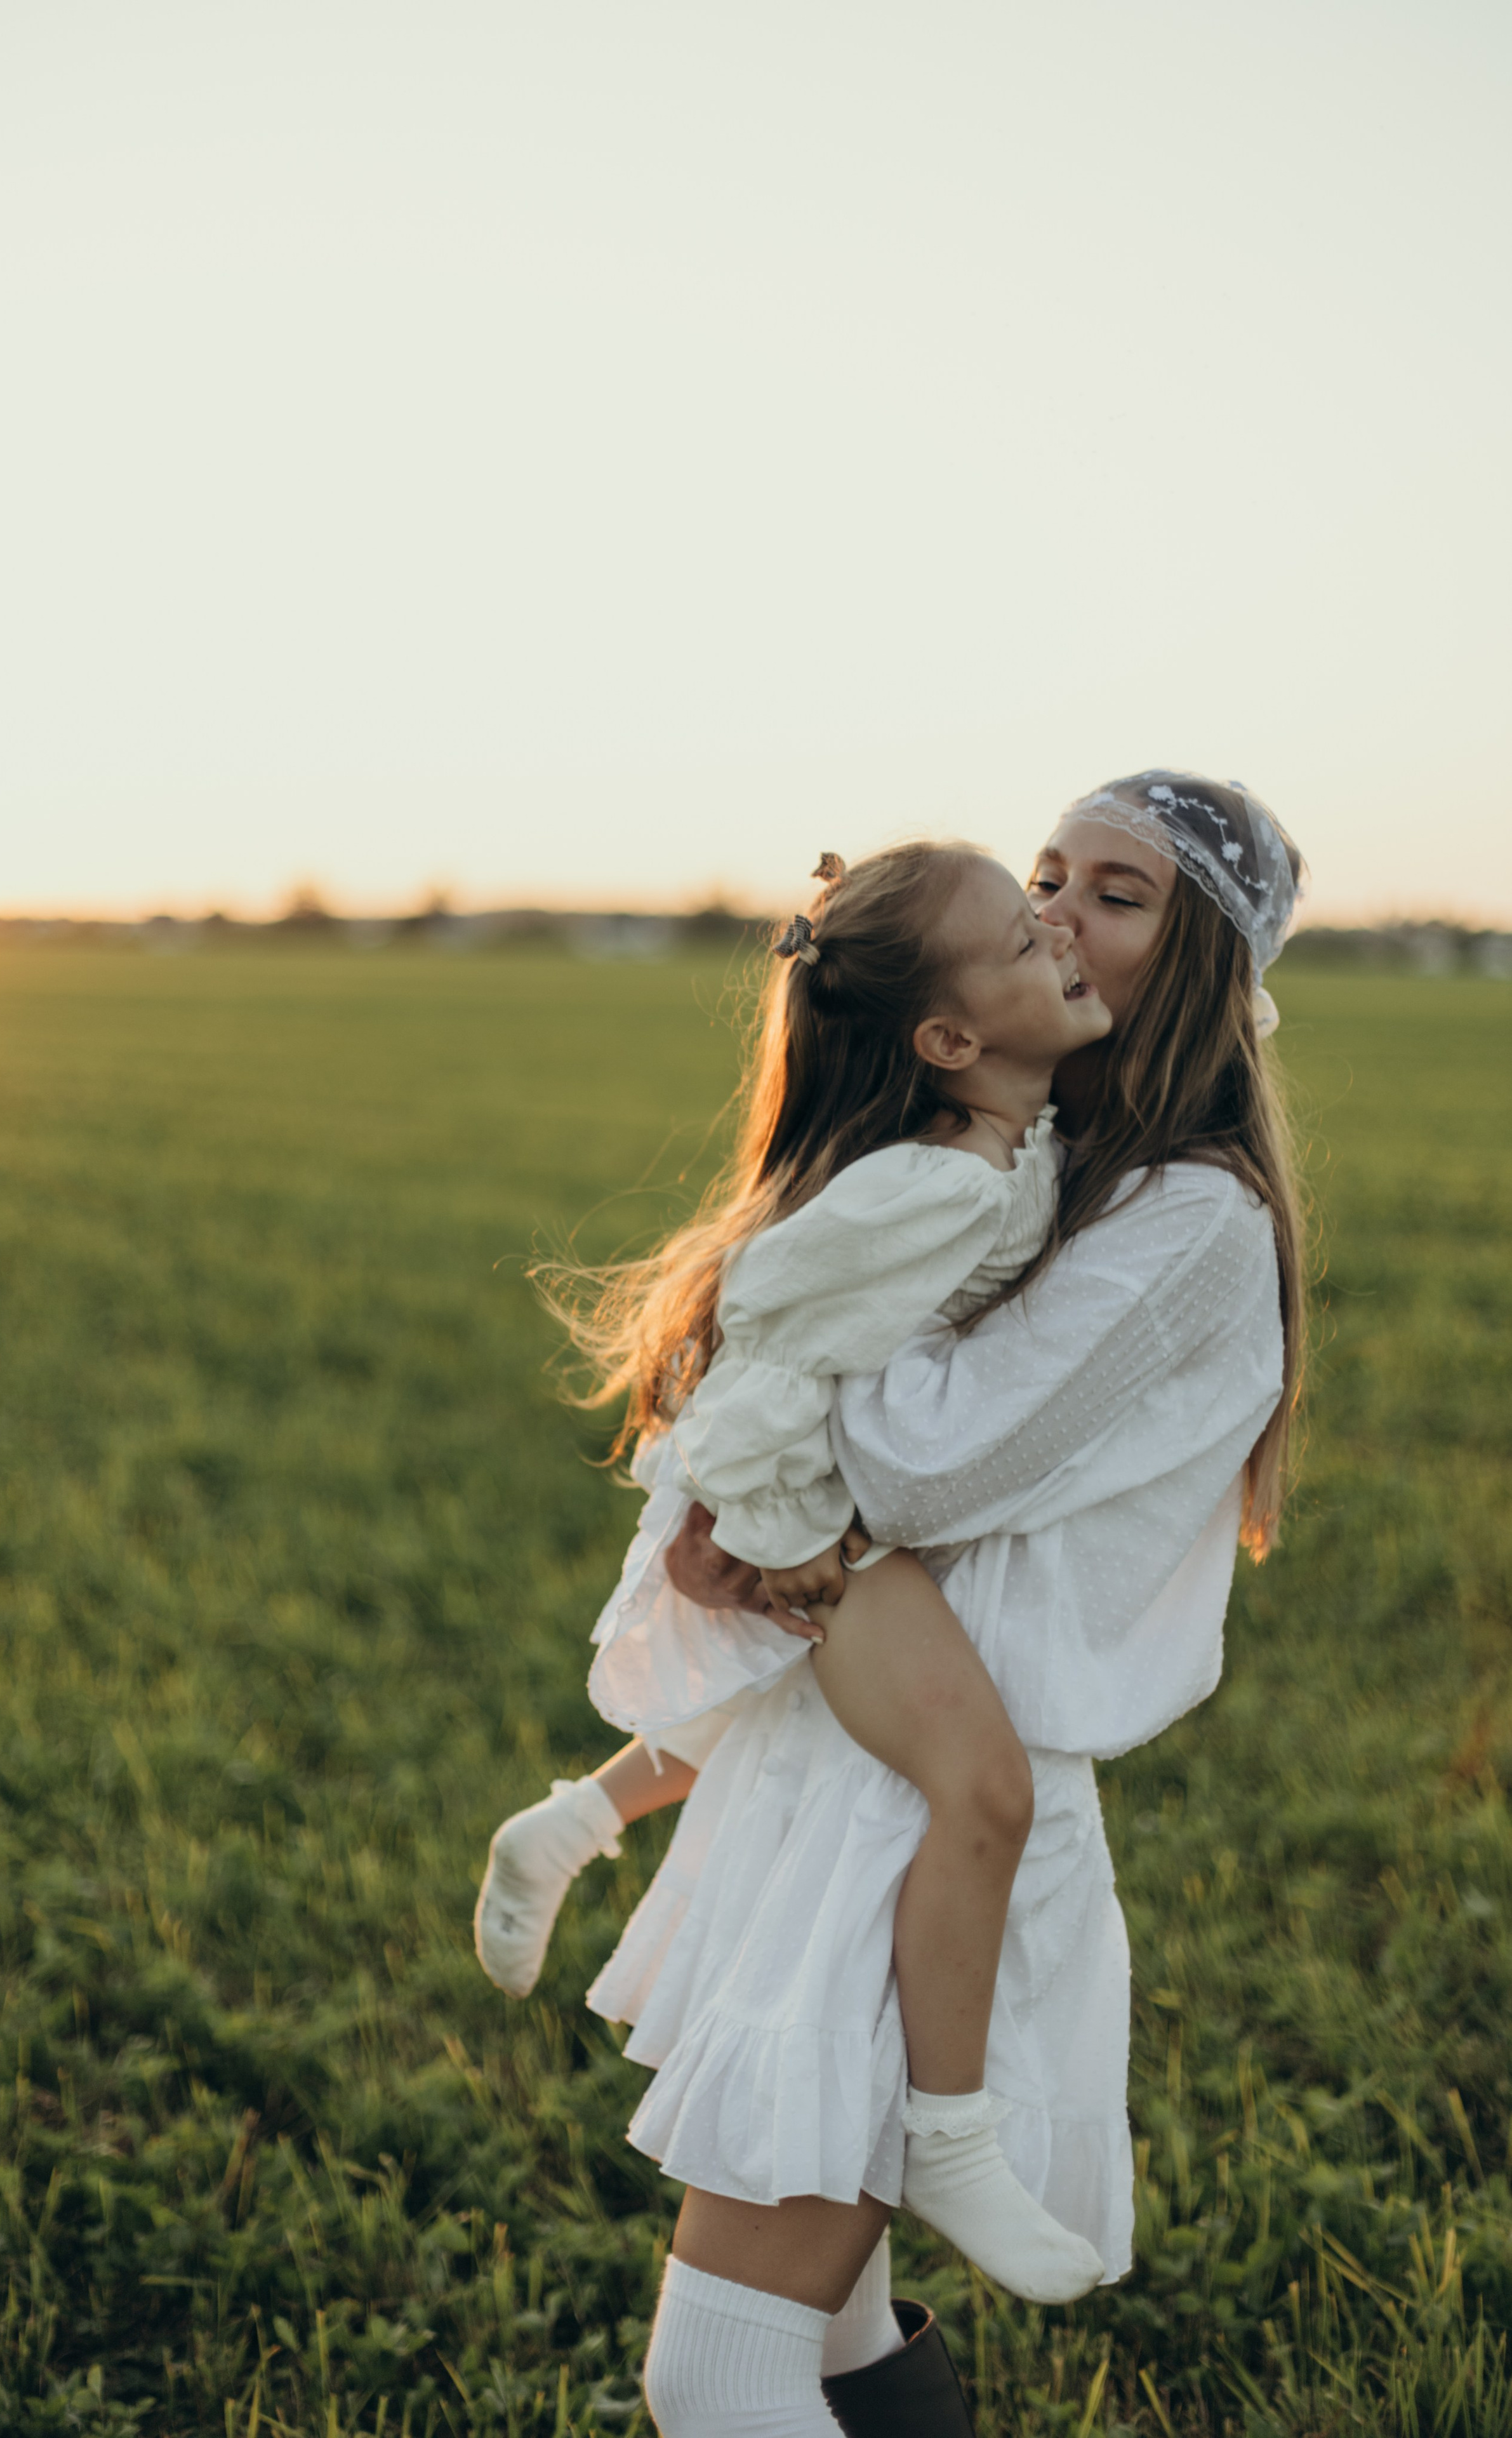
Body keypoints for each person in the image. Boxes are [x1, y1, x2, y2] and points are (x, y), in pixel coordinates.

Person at [524, 769, 1304, 2433]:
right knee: (828, 2337)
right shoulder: (1029, 1156)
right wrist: (760, 1477)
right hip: (839, 1777)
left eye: (1119, 893)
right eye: (1046, 875)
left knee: (718, 2369)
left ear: (1207, 970)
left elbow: (926, 1464)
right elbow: (810, 1366)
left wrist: (775, 1485)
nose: (1054, 915)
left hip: (919, 1820)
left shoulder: (1187, 1221)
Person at [479, 837, 1115, 2301]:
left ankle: (568, 1824)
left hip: (819, 1493)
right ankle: (952, 2140)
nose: (1060, 947)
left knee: (774, 1719)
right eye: (1026, 945)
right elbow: (759, 1348)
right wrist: (800, 1555)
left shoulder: (999, 1135)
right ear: (949, 1041)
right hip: (798, 1501)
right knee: (982, 1785)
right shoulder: (938, 1187)